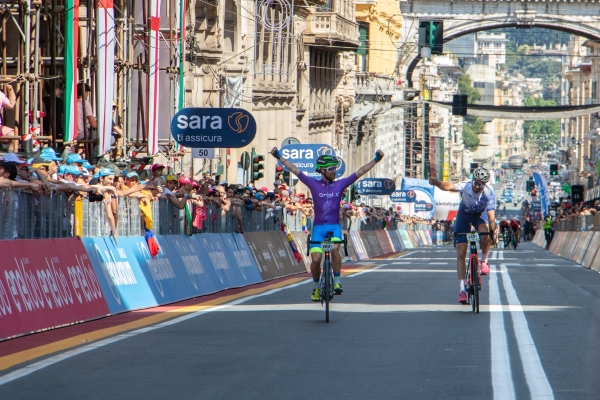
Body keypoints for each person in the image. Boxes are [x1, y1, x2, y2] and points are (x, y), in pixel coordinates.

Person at [270, 147, 385, 301]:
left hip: (334, 227)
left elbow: (360, 172)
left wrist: (376, 160)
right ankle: (316, 288)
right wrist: (279, 156)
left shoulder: (340, 184)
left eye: (335, 168)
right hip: (318, 228)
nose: (334, 171)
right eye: (331, 169)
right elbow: (295, 170)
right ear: (322, 170)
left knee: (335, 249)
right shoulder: (313, 183)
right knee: (316, 260)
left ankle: (337, 281)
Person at [429, 167, 496, 304]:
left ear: (485, 185)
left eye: (480, 185)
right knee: (461, 252)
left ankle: (484, 261)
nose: (477, 186)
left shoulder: (489, 192)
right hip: (464, 217)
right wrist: (437, 183)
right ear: (472, 180)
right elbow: (449, 187)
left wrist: (492, 232)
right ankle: (462, 290)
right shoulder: (466, 185)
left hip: (479, 216)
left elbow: (491, 216)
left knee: (485, 235)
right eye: (475, 183)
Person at [0, 84, 18, 153]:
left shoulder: (0, 95)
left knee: (13, 136)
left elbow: (12, 105)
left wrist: (10, 88)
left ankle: (10, 156)